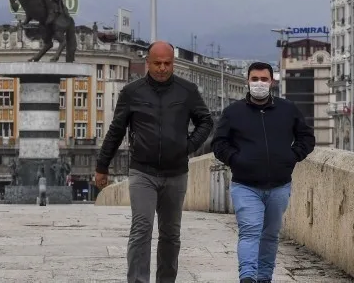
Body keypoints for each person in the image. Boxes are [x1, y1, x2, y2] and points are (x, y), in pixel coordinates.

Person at [95, 41, 214, 283]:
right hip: (143, 172)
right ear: (147, 63)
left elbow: (206, 121)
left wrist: (188, 146)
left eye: (167, 63)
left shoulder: (187, 91)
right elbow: (116, 131)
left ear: (173, 64)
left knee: (171, 234)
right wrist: (102, 166)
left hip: (176, 172)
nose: (162, 68)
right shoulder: (131, 92)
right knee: (141, 229)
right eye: (157, 63)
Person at [211, 62, 315, 283]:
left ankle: (264, 277)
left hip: (279, 185)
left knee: (270, 236)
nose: (259, 84)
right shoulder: (233, 112)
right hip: (245, 185)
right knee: (250, 231)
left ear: (272, 81)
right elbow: (219, 143)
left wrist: (292, 156)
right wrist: (235, 160)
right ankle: (247, 276)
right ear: (247, 81)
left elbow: (306, 137)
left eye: (264, 79)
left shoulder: (288, 110)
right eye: (255, 79)